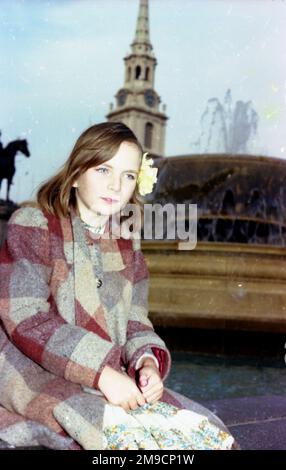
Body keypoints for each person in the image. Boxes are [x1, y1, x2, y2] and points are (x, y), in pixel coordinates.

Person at [0, 122, 238, 450]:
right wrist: (103, 374)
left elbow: (135, 319)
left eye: (128, 175)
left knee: (206, 434)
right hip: (32, 368)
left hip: (106, 375)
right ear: (74, 175)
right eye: (103, 170)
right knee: (109, 438)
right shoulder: (35, 225)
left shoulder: (128, 242)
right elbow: (25, 318)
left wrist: (146, 362)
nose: (116, 184)